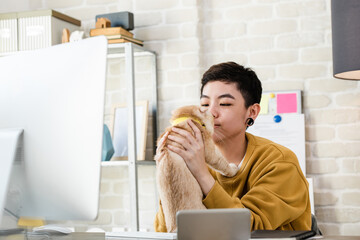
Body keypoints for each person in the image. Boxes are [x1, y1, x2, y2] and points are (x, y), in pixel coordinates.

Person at [154, 62, 311, 232]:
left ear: (252, 112)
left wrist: (201, 173)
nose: (211, 113)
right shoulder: (190, 157)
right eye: (205, 104)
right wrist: (168, 171)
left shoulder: (280, 161)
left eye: (225, 104)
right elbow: (166, 230)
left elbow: (250, 227)